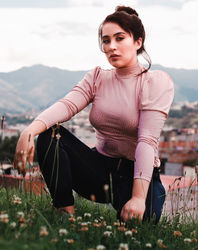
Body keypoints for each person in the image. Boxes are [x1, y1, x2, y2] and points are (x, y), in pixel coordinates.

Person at [14, 6, 174, 223]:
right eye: (106, 41)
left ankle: (136, 202)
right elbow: (67, 105)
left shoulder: (155, 82)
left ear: (138, 41)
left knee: (140, 228)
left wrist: (138, 197)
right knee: (50, 135)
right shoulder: (97, 77)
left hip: (136, 174)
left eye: (119, 38)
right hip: (99, 170)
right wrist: (29, 131)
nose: (112, 47)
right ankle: (65, 215)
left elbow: (146, 140)